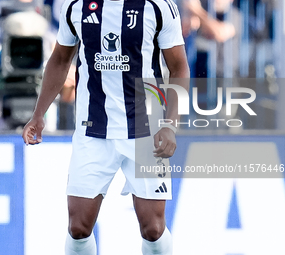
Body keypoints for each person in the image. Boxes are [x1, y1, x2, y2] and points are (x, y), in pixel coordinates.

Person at [22, 0, 189, 254]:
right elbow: (60, 58)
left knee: (153, 229)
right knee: (78, 227)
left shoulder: (159, 6)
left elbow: (179, 66)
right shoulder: (75, 5)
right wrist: (38, 114)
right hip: (93, 128)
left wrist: (170, 125)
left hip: (146, 130)